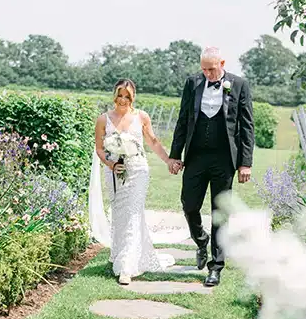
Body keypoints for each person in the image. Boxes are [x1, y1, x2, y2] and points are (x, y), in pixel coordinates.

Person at [169, 46, 255, 287]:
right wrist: (175, 155)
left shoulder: (239, 85)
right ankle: (200, 240)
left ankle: (215, 267)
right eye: (204, 69)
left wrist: (245, 163)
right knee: (189, 204)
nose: (207, 73)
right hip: (196, 156)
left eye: (212, 69)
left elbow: (247, 126)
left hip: (224, 159)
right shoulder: (192, 83)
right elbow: (183, 119)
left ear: (222, 63)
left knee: (220, 212)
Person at [88, 79, 180, 285]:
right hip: (115, 173)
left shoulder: (141, 117)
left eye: (127, 96)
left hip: (138, 171)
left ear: (132, 97)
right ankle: (120, 253)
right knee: (120, 215)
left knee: (132, 213)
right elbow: (100, 149)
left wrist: (168, 160)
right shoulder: (103, 119)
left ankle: (126, 267)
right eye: (120, 95)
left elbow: (153, 142)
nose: (123, 100)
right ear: (114, 95)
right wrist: (111, 164)